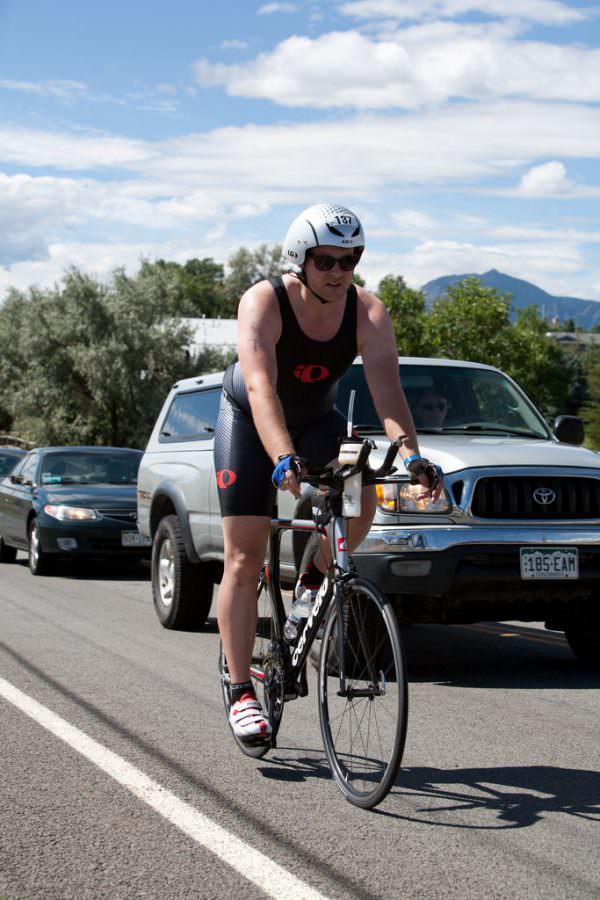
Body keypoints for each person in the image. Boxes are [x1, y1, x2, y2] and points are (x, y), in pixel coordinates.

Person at [214, 203, 442, 744]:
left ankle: (314, 579)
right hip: (250, 420)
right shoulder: (264, 301)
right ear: (300, 259)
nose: (339, 271)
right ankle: (242, 689)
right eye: (326, 260)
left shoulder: (368, 312)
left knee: (362, 491)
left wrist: (412, 457)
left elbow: (388, 393)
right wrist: (282, 458)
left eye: (350, 259)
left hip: (317, 419)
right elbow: (262, 388)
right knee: (244, 558)